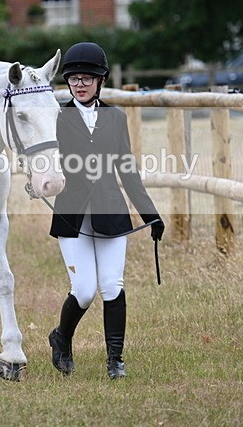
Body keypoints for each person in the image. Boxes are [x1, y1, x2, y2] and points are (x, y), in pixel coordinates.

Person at [48, 41, 164, 379]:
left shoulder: (116, 118)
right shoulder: (57, 117)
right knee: (84, 290)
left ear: (101, 80)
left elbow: (127, 169)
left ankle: (115, 360)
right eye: (74, 78)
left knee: (112, 285)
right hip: (71, 213)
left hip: (111, 212)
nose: (80, 84)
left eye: (87, 78)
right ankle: (62, 338)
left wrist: (150, 214)